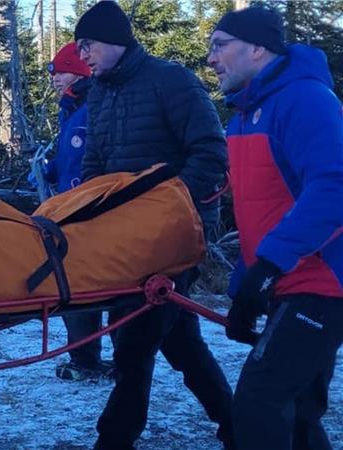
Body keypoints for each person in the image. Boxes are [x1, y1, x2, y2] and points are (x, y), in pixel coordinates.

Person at [73, 2, 234, 449]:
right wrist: (88, 209)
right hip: (127, 239)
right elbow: (95, 163)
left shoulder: (171, 80)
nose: (82, 54)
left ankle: (114, 440)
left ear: (115, 41)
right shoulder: (100, 91)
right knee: (180, 341)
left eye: (88, 44)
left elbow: (211, 154)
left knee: (135, 339)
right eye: (77, 46)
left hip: (176, 236)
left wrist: (164, 209)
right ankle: (235, 424)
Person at [207, 7, 343, 450]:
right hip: (286, 280)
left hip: (322, 284)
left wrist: (268, 265)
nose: (210, 58)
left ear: (258, 47)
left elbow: (333, 187)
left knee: (259, 403)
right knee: (300, 415)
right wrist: (246, 284)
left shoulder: (305, 99)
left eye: (220, 45)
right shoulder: (243, 114)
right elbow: (261, 211)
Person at [32, 42, 115, 381]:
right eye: (53, 71)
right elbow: (70, 159)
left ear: (79, 72)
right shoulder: (72, 108)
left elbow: (91, 160)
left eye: (61, 70)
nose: (54, 78)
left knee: (82, 285)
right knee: (79, 285)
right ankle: (85, 356)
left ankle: (87, 359)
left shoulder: (90, 108)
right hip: (71, 210)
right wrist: (49, 169)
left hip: (87, 213)